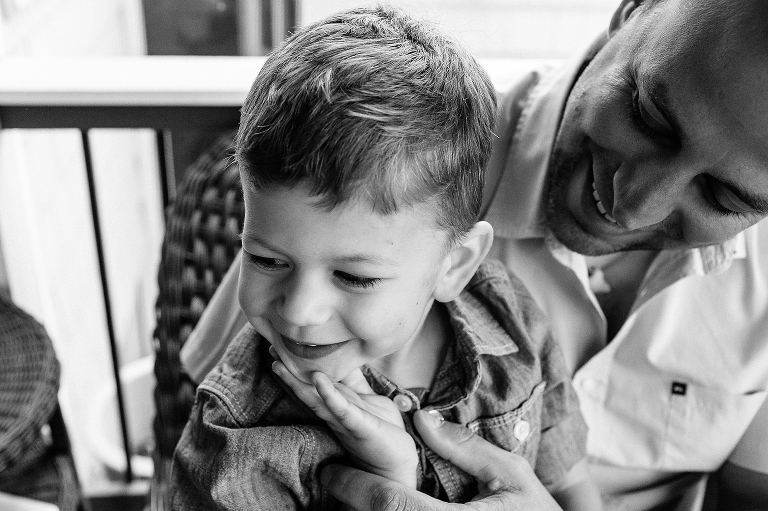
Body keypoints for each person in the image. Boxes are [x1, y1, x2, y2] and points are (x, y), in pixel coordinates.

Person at [179, 0, 768, 509]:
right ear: (633, 10)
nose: (635, 206)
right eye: (649, 116)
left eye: (723, 195)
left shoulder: (510, 320)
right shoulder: (376, 172)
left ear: (460, 263)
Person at [171, 5, 602, 511]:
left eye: (354, 276)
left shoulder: (512, 321)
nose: (299, 311)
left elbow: (572, 486)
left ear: (455, 266)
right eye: (265, 259)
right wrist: (388, 477)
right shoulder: (237, 433)